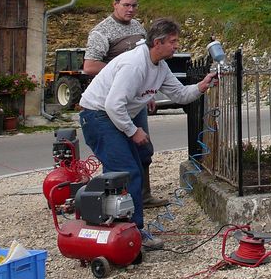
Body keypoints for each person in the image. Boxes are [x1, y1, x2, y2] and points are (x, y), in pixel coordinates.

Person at [78, 18, 217, 239]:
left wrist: (202, 86)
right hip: (97, 116)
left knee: (132, 168)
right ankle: (132, 233)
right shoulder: (135, 64)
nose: (177, 46)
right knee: (127, 172)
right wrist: (133, 131)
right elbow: (113, 105)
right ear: (158, 43)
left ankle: (115, 227)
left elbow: (180, 95)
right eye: (173, 41)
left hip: (111, 116)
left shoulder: (160, 67)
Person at [83, 0, 167, 207]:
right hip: (112, 101)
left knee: (143, 148)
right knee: (118, 156)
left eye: (134, 5)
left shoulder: (139, 27)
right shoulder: (101, 32)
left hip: (134, 101)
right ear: (115, 4)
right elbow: (90, 66)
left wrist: (145, 90)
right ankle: (115, 204)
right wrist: (123, 74)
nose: (130, 9)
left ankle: (143, 196)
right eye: (126, 5)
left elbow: (148, 62)